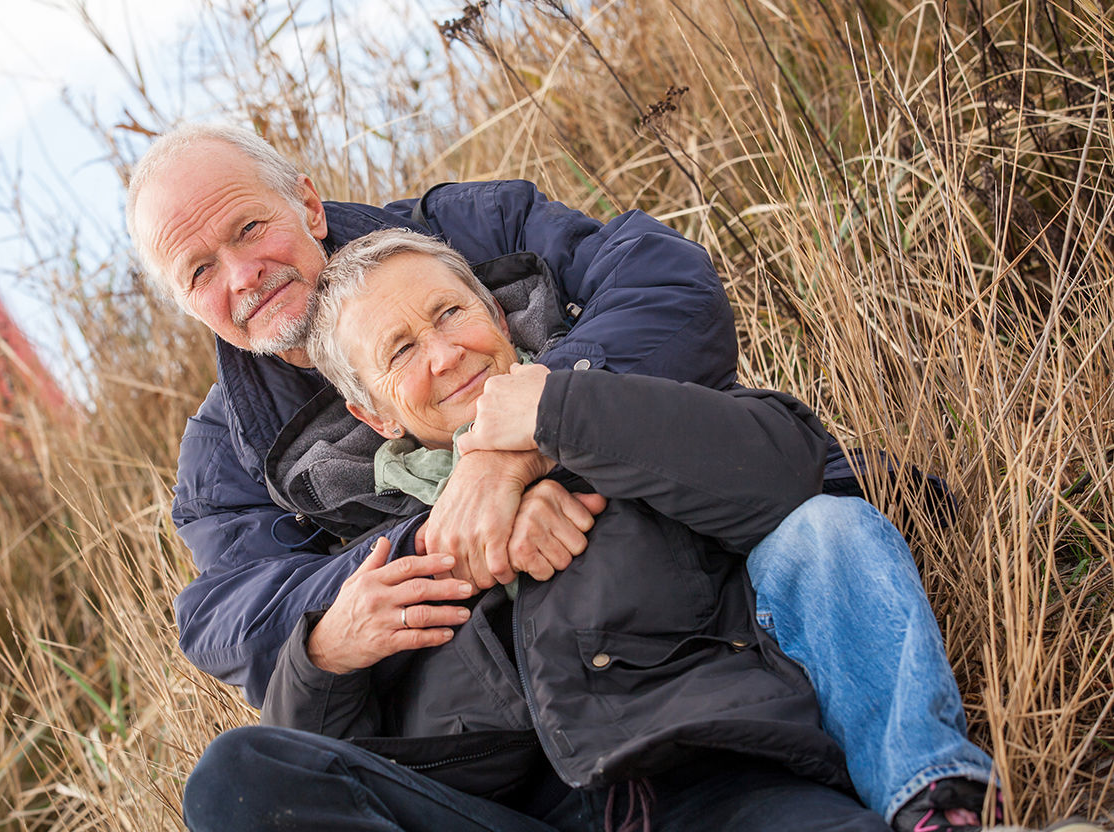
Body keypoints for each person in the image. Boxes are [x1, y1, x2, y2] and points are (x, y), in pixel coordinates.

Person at [125, 123, 1001, 829]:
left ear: (308, 203)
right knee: (236, 777)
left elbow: (668, 288)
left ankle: (936, 805)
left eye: (249, 228)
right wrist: (434, 547)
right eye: (199, 270)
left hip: (684, 671)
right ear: (371, 415)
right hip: (502, 762)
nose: (241, 276)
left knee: (822, 531)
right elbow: (237, 618)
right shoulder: (225, 453)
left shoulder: (472, 230)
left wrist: (519, 444)